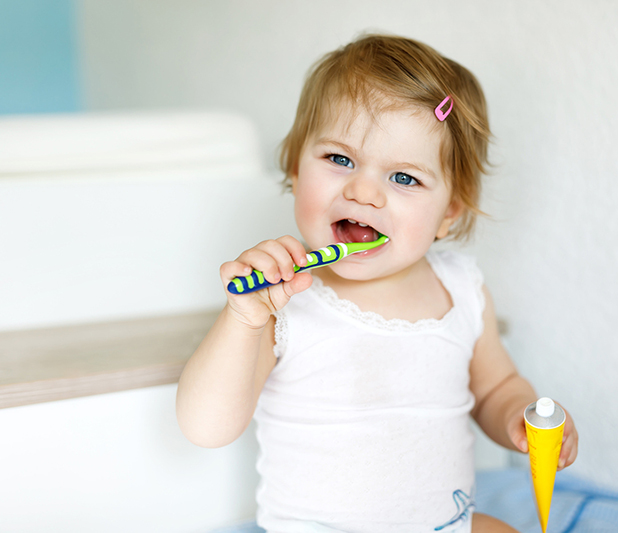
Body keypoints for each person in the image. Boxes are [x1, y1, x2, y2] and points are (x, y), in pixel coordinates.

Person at [176, 34, 578, 533]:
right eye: (339, 159)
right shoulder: (282, 300)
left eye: (404, 178)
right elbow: (206, 426)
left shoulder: (461, 290)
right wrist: (243, 318)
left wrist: (520, 416)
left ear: (448, 213)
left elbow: (496, 386)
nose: (363, 190)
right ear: (295, 169)